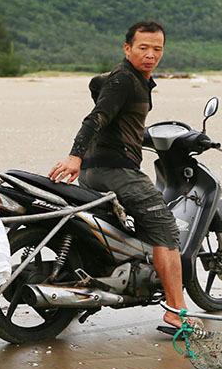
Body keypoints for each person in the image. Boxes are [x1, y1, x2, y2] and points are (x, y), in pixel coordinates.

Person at [48, 21, 202, 336]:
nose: (150, 55)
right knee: (166, 231)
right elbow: (96, 118)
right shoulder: (124, 81)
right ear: (127, 48)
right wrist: (74, 155)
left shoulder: (133, 82)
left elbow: (122, 125)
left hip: (95, 172)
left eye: (157, 49)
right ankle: (176, 313)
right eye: (143, 48)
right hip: (116, 172)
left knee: (123, 227)